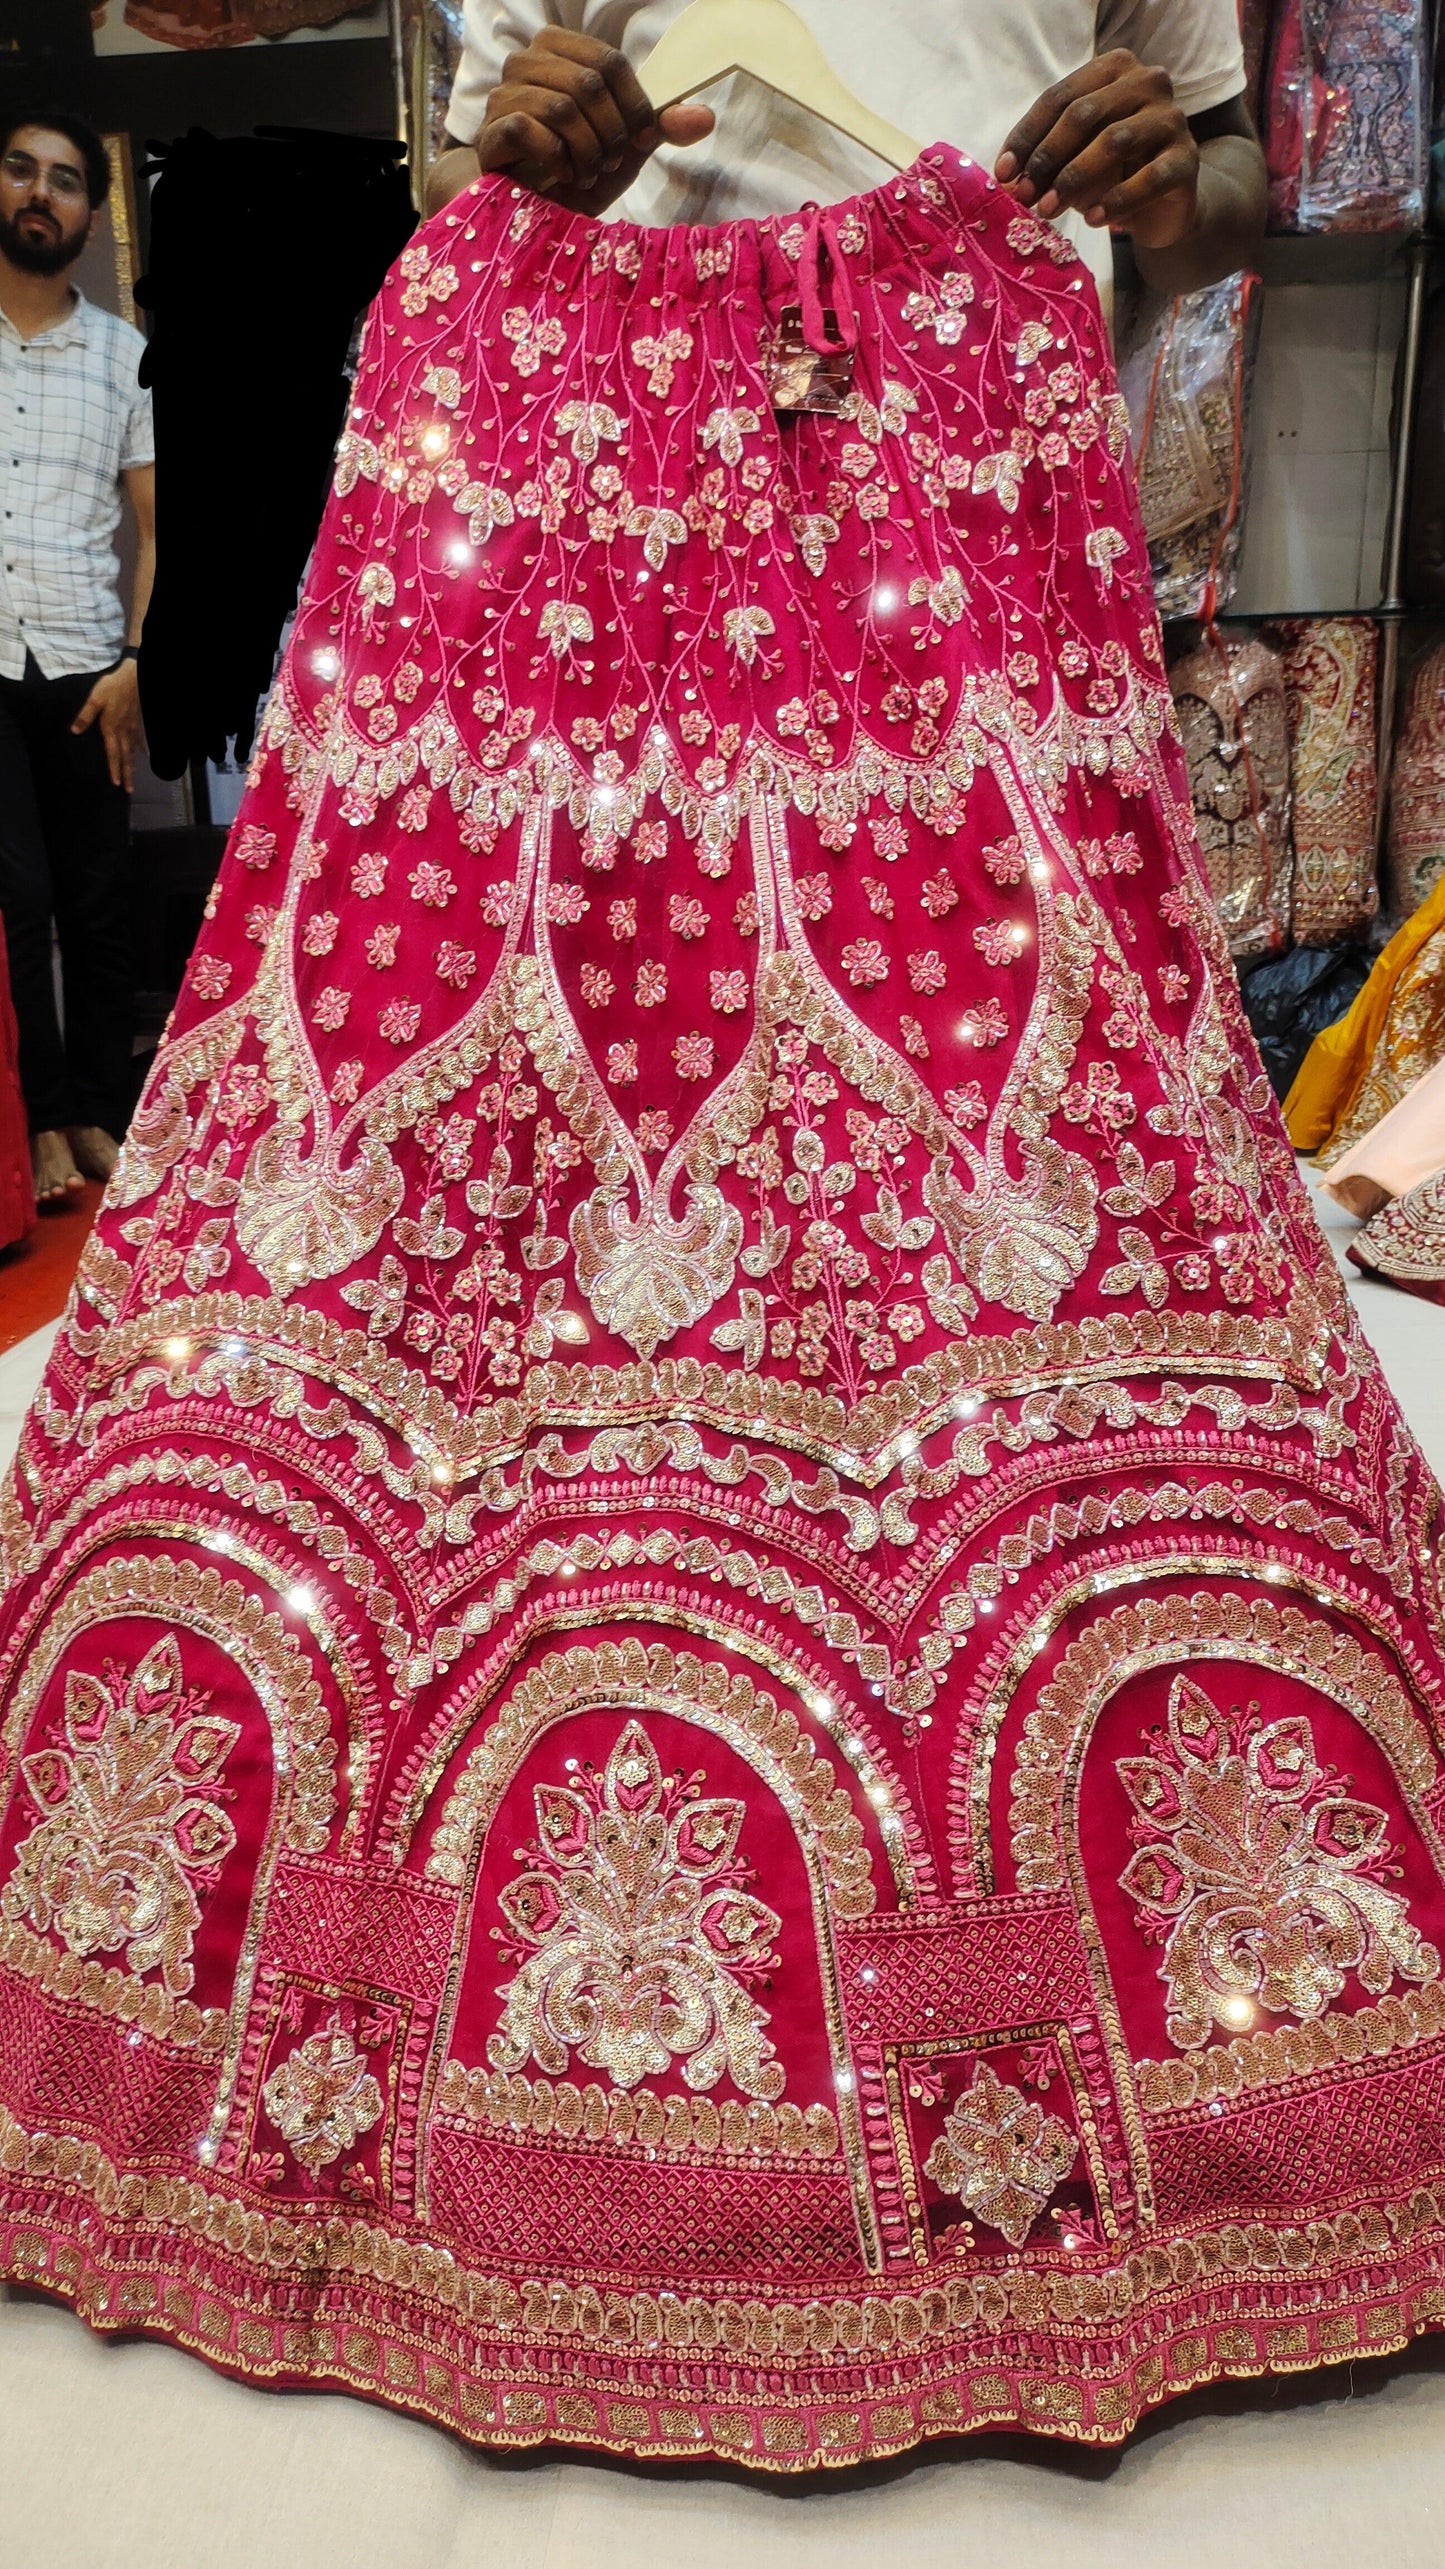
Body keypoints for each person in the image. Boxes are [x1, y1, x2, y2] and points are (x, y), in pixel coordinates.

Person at [428, 0, 1266, 309]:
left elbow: (1227, 165)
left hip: (990, 433)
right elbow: (451, 190)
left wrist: (1178, 207)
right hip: (646, 420)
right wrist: (520, 192)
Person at [0, 109, 155, 1206]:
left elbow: (158, 525)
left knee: (98, 899)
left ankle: (100, 1105)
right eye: (20, 171)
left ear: (90, 217)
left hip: (87, 663)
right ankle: (41, 1121)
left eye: (62, 179)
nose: (40, 192)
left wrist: (138, 660)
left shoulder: (126, 354)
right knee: (14, 895)